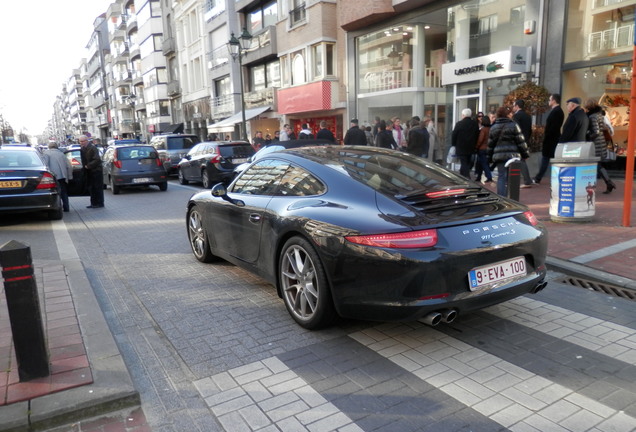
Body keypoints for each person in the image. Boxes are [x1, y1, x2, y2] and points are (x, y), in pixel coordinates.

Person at [487, 106, 529, 196]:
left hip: (499, 156)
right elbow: (520, 141)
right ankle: (512, 197)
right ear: (506, 115)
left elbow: (490, 145)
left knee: (501, 176)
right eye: (510, 113)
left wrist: (489, 158)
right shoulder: (514, 125)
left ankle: (502, 197)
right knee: (512, 178)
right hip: (512, 156)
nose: (512, 115)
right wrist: (525, 154)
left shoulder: (494, 127)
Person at [585, 98, 617, 194]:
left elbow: (596, 131)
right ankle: (609, 183)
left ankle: (609, 182)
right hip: (601, 142)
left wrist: (587, 135)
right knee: (598, 165)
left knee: (597, 165)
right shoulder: (599, 114)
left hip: (596, 144)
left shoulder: (593, 117)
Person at [533, 93, 564, 184]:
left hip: (552, 140)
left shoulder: (557, 111)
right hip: (551, 139)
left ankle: (538, 178)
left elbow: (553, 127)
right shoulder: (556, 111)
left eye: (550, 100)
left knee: (547, 159)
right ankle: (540, 177)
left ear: (554, 100)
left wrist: (547, 136)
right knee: (548, 159)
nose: (548, 101)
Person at [43, 142, 73, 212]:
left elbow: (45, 165)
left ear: (49, 147)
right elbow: (69, 166)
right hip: (62, 176)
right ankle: (66, 207)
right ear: (57, 147)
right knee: (63, 192)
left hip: (52, 177)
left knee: (54, 192)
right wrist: (69, 176)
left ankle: (56, 207)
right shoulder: (61, 154)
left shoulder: (46, 154)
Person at [451, 108, 479, 179]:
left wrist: (453, 144)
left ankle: (466, 177)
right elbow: (477, 135)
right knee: (467, 162)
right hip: (471, 147)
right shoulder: (475, 124)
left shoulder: (459, 124)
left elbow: (454, 135)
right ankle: (462, 175)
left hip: (461, 147)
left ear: (463, 115)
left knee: (463, 162)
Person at [512, 100, 534, 188]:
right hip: (526, 140)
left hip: (519, 141)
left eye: (514, 106)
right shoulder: (528, 116)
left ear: (517, 106)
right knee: (522, 159)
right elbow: (530, 130)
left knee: (520, 160)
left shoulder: (516, 116)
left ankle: (527, 180)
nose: (513, 108)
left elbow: (516, 129)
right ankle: (527, 179)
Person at [79, 135, 104, 208]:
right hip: (88, 171)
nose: (82, 143)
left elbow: (97, 159)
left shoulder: (93, 148)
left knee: (97, 187)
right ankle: (93, 203)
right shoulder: (82, 148)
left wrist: (88, 165)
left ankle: (99, 203)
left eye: (83, 141)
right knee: (91, 188)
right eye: (80, 141)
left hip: (96, 171)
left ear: (87, 140)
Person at [474, 115, 493, 183]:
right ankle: (479, 177)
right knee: (481, 163)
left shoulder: (483, 129)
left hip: (482, 148)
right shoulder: (491, 129)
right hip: (489, 148)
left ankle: (489, 177)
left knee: (483, 163)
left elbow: (480, 140)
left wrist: (476, 147)